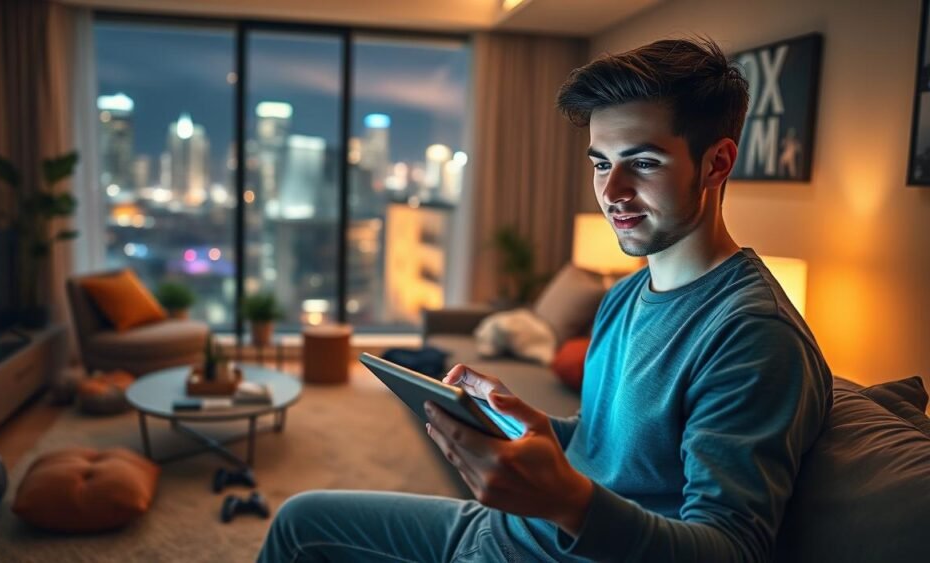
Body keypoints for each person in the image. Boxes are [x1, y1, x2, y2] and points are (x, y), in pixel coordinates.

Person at [258, 37, 832, 562]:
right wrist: (527, 424)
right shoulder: (627, 294)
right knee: (300, 520)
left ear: (718, 162)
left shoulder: (753, 337)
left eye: (643, 162)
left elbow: (731, 550)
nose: (612, 192)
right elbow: (605, 448)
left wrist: (570, 506)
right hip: (502, 531)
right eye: (601, 164)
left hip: (551, 549)